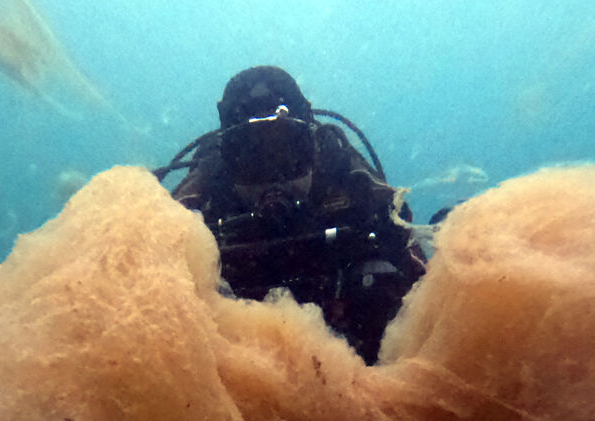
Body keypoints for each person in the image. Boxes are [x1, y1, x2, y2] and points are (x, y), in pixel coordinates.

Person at [154, 66, 426, 364]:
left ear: (313, 148)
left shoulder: (345, 176)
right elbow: (155, 257)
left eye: (288, 153)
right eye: (251, 158)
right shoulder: (205, 189)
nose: (273, 180)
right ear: (227, 161)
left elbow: (410, 249)